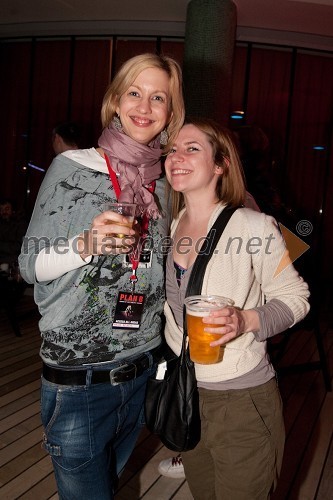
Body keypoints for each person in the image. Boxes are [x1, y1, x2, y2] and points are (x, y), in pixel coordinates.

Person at [18, 53, 185, 499]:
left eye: (158, 97)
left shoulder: (167, 183)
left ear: (171, 112)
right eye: (134, 93)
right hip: (81, 378)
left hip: (143, 368)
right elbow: (29, 266)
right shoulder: (72, 168)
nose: (144, 106)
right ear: (114, 102)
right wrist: (85, 247)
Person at [162, 117, 310, 499]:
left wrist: (247, 319)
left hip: (241, 400)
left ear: (220, 164)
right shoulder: (171, 225)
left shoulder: (256, 226)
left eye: (192, 148)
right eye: (172, 149)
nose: (176, 157)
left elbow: (296, 297)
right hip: (188, 394)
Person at [0, 197, 27, 265]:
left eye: (7, 209)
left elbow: (19, 246)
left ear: (13, 210)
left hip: (14, 261)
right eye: (1, 209)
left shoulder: (21, 224)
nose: (4, 212)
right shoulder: (2, 223)